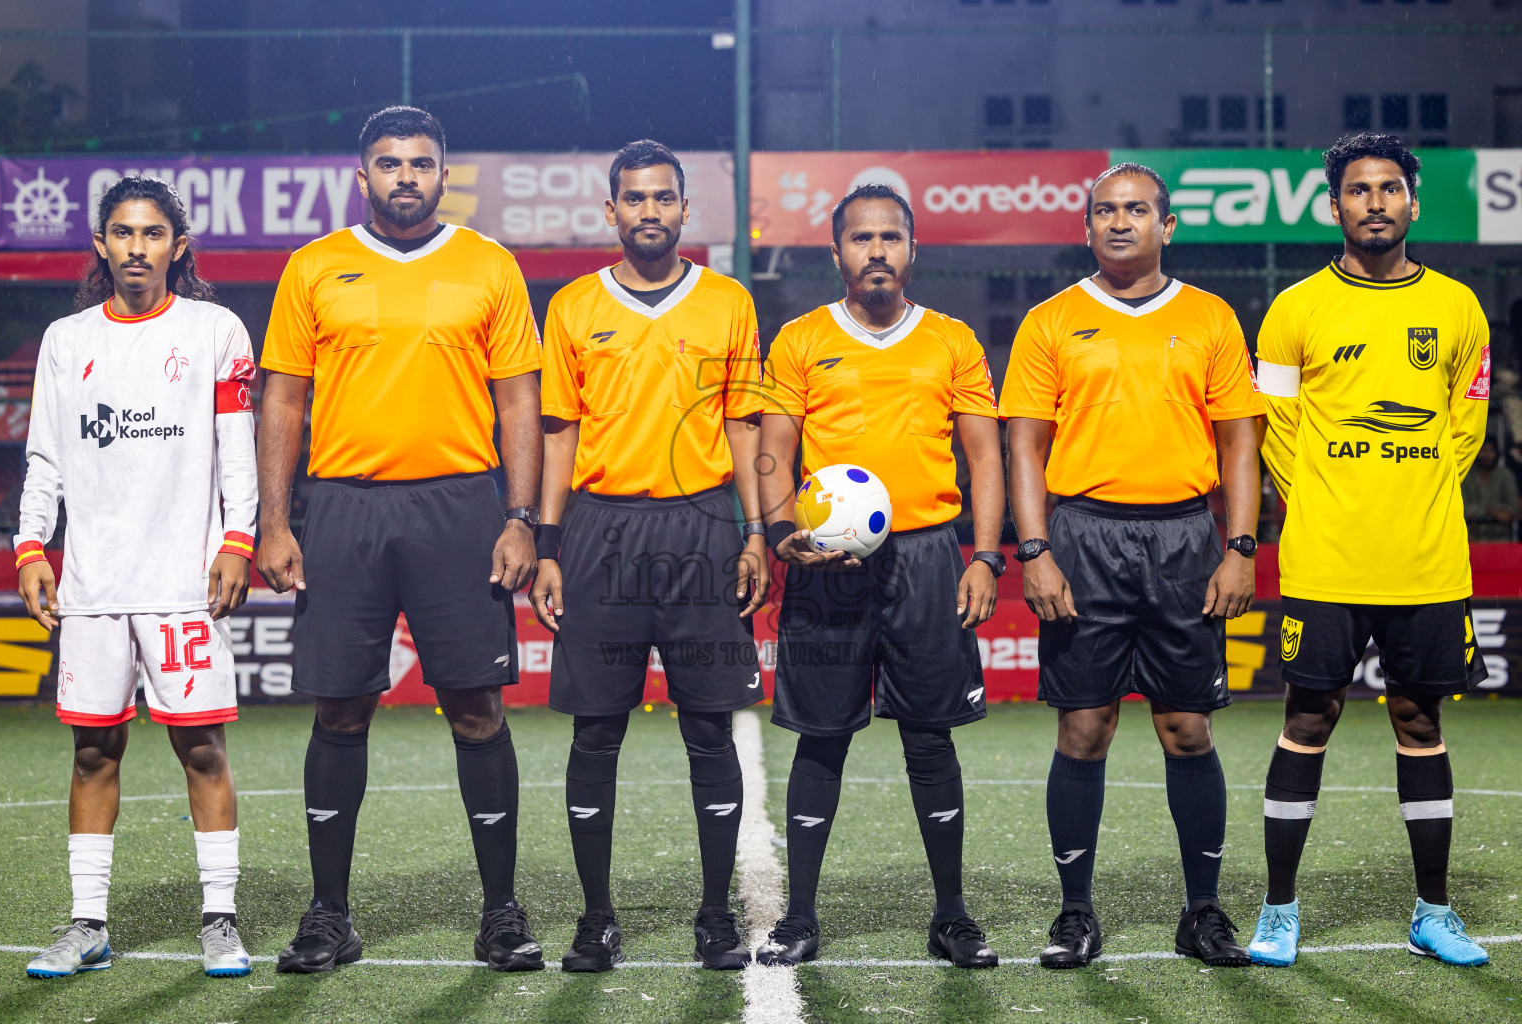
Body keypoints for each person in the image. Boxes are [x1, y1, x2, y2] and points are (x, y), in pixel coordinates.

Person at [255, 107, 545, 973]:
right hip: (344, 510)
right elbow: (282, 400)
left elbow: (520, 401)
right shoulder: (314, 267)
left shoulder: (490, 265)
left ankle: (501, 912)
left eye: (422, 163)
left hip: (461, 508)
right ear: (363, 174)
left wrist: (521, 517)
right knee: (340, 708)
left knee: (477, 709)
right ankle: (328, 914)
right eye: (390, 164)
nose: (407, 177)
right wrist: (275, 520)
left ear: (444, 172)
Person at [1001, 163, 1263, 970]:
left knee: (1188, 728)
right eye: (1105, 211)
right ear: (1086, 229)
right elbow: (1024, 444)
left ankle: (1204, 912)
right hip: (1083, 537)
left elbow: (1240, 440)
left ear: (1167, 224)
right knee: (1085, 728)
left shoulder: (1212, 317)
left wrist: (1242, 546)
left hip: (1185, 539)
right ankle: (1076, 914)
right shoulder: (1050, 320)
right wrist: (1035, 551)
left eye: (1137, 209)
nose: (1121, 222)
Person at [1251, 132, 1491, 968]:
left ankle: (1433, 911)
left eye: (1390, 188)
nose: (1375, 202)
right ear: (1335, 206)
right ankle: (1279, 910)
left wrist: (1411, 491)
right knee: (1306, 719)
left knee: (1419, 721)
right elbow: (1274, 433)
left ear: (1413, 203)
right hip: (1325, 557)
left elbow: (1466, 428)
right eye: (1359, 190)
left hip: (1425, 560)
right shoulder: (1293, 311)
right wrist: (1324, 498)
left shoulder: (1459, 308)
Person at [530, 140, 768, 972]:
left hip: (703, 528)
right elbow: (558, 433)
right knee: (595, 733)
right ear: (611, 211)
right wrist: (548, 545)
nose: (650, 212)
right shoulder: (570, 307)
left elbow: (744, 426)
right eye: (634, 199)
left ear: (684, 209)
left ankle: (714, 916)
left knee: (711, 729)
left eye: (664, 198)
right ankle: (596, 919)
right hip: (600, 532)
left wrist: (755, 531)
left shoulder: (729, 302)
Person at [754, 184, 1004, 970]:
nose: (876, 252)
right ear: (837, 254)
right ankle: (798, 916)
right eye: (861, 239)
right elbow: (773, 447)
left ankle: (953, 915)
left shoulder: (953, 341)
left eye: (890, 238)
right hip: (828, 565)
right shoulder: (797, 340)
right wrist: (778, 530)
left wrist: (987, 556)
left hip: (928, 557)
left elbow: (984, 455)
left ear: (911, 249)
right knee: (821, 740)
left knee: (929, 738)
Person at [18, 176, 257, 978]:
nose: (136, 247)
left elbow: (237, 450)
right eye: (121, 233)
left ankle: (219, 920)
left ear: (177, 247)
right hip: (91, 586)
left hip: (182, 584)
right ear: (101, 245)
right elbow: (45, 456)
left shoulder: (216, 330)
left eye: (152, 234)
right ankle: (88, 924)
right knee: (93, 753)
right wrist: (29, 548)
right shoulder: (67, 339)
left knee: (202, 751)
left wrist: (237, 539)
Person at [1461, 440, 1518, 542]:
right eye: (1483, 451)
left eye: (1490, 451)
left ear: (1496, 453)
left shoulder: (1505, 475)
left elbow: (1514, 505)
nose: (1486, 455)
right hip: (1472, 537)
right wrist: (1490, 511)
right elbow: (1460, 505)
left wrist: (1505, 513)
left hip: (1499, 537)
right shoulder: (1467, 475)